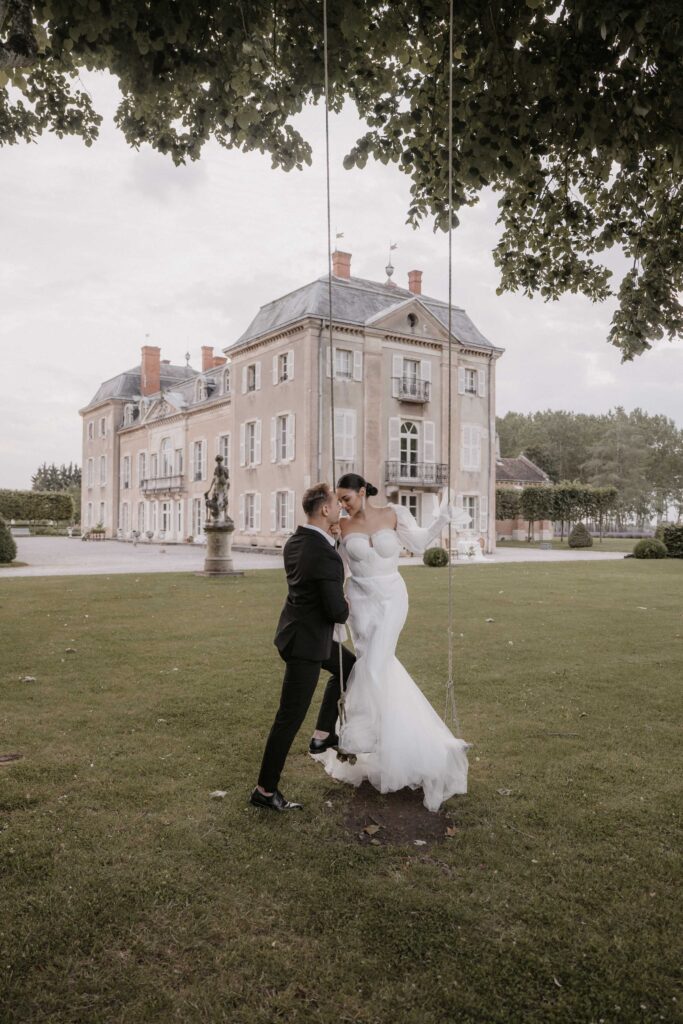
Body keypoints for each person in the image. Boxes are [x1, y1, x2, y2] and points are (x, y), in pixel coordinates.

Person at [310, 473, 469, 811]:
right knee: (376, 666)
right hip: (360, 602)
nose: (342, 504)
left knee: (375, 665)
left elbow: (420, 544)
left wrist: (442, 519)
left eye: (346, 498)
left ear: (362, 492)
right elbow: (335, 569)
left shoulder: (394, 513)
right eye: (339, 500)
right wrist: (336, 609)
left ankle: (367, 735)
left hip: (392, 598)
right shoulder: (341, 526)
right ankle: (390, 744)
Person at [251, 482, 356, 812]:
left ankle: (323, 734)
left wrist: (334, 543)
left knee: (349, 666)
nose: (340, 508)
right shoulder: (324, 554)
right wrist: (350, 601)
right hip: (307, 646)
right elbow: (337, 612)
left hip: (299, 633)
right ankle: (265, 790)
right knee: (288, 718)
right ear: (324, 509)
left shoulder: (295, 541)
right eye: (336, 504)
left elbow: (315, 574)